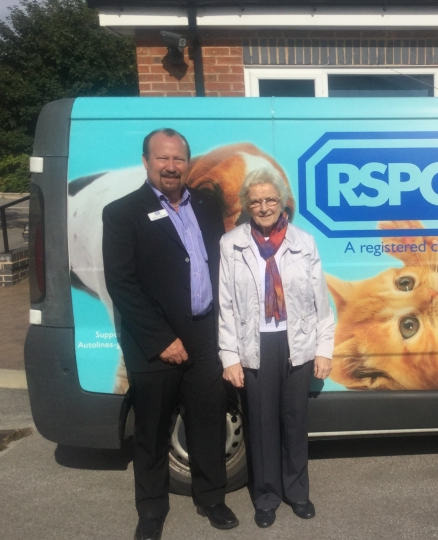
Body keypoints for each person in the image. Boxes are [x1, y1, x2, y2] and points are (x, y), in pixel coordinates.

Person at [103, 129, 236, 540]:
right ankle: (151, 510)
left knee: (207, 421)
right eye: (162, 159)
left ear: (187, 163)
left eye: (178, 159)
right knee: (153, 429)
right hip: (154, 342)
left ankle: (212, 498)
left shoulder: (206, 204)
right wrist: (162, 339)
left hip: (204, 332)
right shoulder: (122, 212)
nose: (171, 166)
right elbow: (121, 283)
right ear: (146, 161)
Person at [218, 168, 335, 529]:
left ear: (283, 202)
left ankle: (297, 492)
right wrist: (230, 357)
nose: (264, 206)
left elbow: (321, 302)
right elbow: (226, 305)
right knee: (262, 423)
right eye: (256, 201)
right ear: (247, 206)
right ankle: (266, 496)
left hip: (296, 341)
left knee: (294, 421)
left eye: (270, 199)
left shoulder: (304, 242)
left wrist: (324, 348)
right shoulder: (232, 244)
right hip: (256, 343)